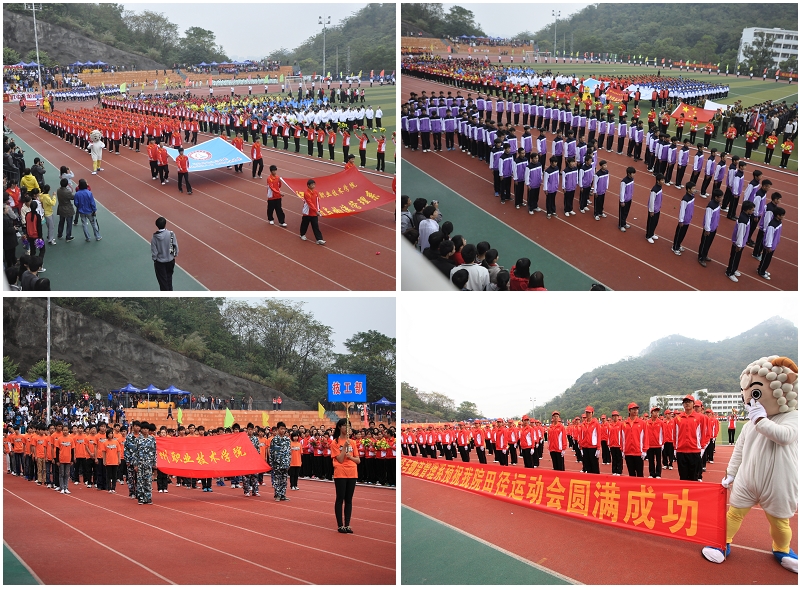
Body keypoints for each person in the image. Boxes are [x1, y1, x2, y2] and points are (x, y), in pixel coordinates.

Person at [331, 418, 359, 533]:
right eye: (344, 426)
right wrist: (344, 449)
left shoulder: (353, 442)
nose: (347, 428)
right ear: (339, 427)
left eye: (349, 426)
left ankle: (347, 524)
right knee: (340, 498)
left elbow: (358, 460)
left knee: (349, 499)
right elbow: (340, 459)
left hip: (352, 472)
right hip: (341, 473)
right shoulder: (335, 442)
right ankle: (340, 525)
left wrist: (350, 457)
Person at [674, 395, 705, 481]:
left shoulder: (700, 417)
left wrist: (702, 447)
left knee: (694, 478)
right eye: (685, 402)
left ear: (693, 404)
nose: (687, 404)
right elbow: (675, 434)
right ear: (683, 404)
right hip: (681, 451)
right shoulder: (678, 418)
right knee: (683, 477)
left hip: (694, 451)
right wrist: (675, 448)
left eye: (689, 402)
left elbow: (703, 433)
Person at [725, 200, 755, 283]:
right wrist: (739, 244)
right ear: (747, 210)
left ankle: (734, 269)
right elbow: (740, 233)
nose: (753, 211)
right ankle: (729, 272)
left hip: (742, 243)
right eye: (752, 210)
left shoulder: (747, 217)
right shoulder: (743, 220)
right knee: (734, 257)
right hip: (738, 243)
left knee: (737, 258)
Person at [756, 206, 784, 280]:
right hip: (769, 246)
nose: (783, 217)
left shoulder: (779, 222)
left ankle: (762, 269)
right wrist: (768, 246)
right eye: (782, 215)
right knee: (765, 259)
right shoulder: (772, 225)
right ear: (778, 215)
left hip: (773, 245)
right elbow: (769, 236)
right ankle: (761, 271)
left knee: (768, 259)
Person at [151, 216, 178, 291]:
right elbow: (175, 245)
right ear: (165, 224)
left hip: (160, 262)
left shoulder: (155, 237)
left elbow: (154, 250)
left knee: (163, 282)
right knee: (169, 279)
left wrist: (154, 259)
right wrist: (175, 255)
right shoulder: (171, 234)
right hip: (170, 261)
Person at [134, 422, 156, 504]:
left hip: (149, 463)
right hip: (140, 463)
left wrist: (154, 463)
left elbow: (154, 451)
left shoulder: (152, 439)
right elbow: (135, 452)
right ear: (141, 430)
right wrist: (135, 464)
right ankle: (141, 497)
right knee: (140, 481)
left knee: (148, 481)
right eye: (143, 428)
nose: (145, 430)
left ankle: (148, 497)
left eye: (146, 428)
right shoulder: (137, 440)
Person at [269, 421, 291, 501]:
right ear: (278, 429)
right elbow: (271, 452)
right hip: (277, 463)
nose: (283, 430)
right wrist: (271, 463)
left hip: (285, 463)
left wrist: (289, 462)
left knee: (284, 480)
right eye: (281, 429)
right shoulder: (274, 440)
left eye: (284, 429)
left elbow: (289, 452)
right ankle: (277, 495)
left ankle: (283, 495)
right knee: (277, 480)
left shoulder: (287, 440)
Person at [672, 181, 696, 255]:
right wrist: (681, 220)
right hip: (683, 220)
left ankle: (678, 245)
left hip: (688, 219)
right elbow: (682, 210)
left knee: (683, 234)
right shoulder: (685, 199)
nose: (694, 190)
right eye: (693, 188)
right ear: (688, 189)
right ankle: (675, 247)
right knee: (679, 234)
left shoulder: (692, 197)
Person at [299, 179, 325, 245]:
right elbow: (310, 203)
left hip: (314, 213)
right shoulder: (306, 193)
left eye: (314, 184)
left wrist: (318, 210)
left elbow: (317, 201)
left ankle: (319, 239)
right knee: (305, 224)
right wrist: (316, 211)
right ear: (308, 185)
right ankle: (302, 234)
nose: (313, 185)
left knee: (315, 226)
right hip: (307, 212)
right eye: (312, 184)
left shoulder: (316, 192)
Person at [242, 423, 261, 497]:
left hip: (254, 460)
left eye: (251, 429)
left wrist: (257, 458)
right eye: (249, 429)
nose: (250, 431)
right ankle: (246, 491)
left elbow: (258, 449)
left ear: (253, 430)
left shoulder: (256, 439)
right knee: (246, 476)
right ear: (247, 430)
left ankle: (255, 491)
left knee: (255, 476)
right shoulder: (244, 438)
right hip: (246, 460)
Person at [618, 166, 636, 232]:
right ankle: (621, 225)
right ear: (629, 174)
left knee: (626, 212)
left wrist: (631, 196)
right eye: (633, 173)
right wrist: (622, 201)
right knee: (622, 213)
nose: (634, 175)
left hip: (629, 199)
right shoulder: (624, 182)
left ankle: (624, 223)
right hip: (624, 200)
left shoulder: (632, 179)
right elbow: (622, 192)